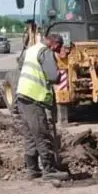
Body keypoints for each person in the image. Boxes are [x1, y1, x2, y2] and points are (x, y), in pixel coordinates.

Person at [15, 33, 69, 181]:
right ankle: (49, 170)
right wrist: (60, 72)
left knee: (31, 136)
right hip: (34, 98)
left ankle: (33, 170)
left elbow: (20, 65)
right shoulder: (46, 52)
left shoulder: (32, 50)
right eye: (58, 48)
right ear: (55, 45)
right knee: (42, 134)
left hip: (22, 96)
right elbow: (53, 76)